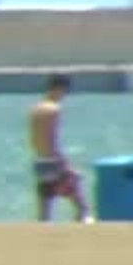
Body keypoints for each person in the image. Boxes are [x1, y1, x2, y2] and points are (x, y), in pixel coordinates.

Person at [28, 74, 93, 222]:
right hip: (53, 160)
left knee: (45, 208)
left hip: (39, 161)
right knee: (81, 205)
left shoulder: (35, 109)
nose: (64, 96)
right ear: (59, 89)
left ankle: (42, 237)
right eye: (64, 91)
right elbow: (52, 139)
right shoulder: (54, 109)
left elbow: (34, 138)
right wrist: (65, 165)